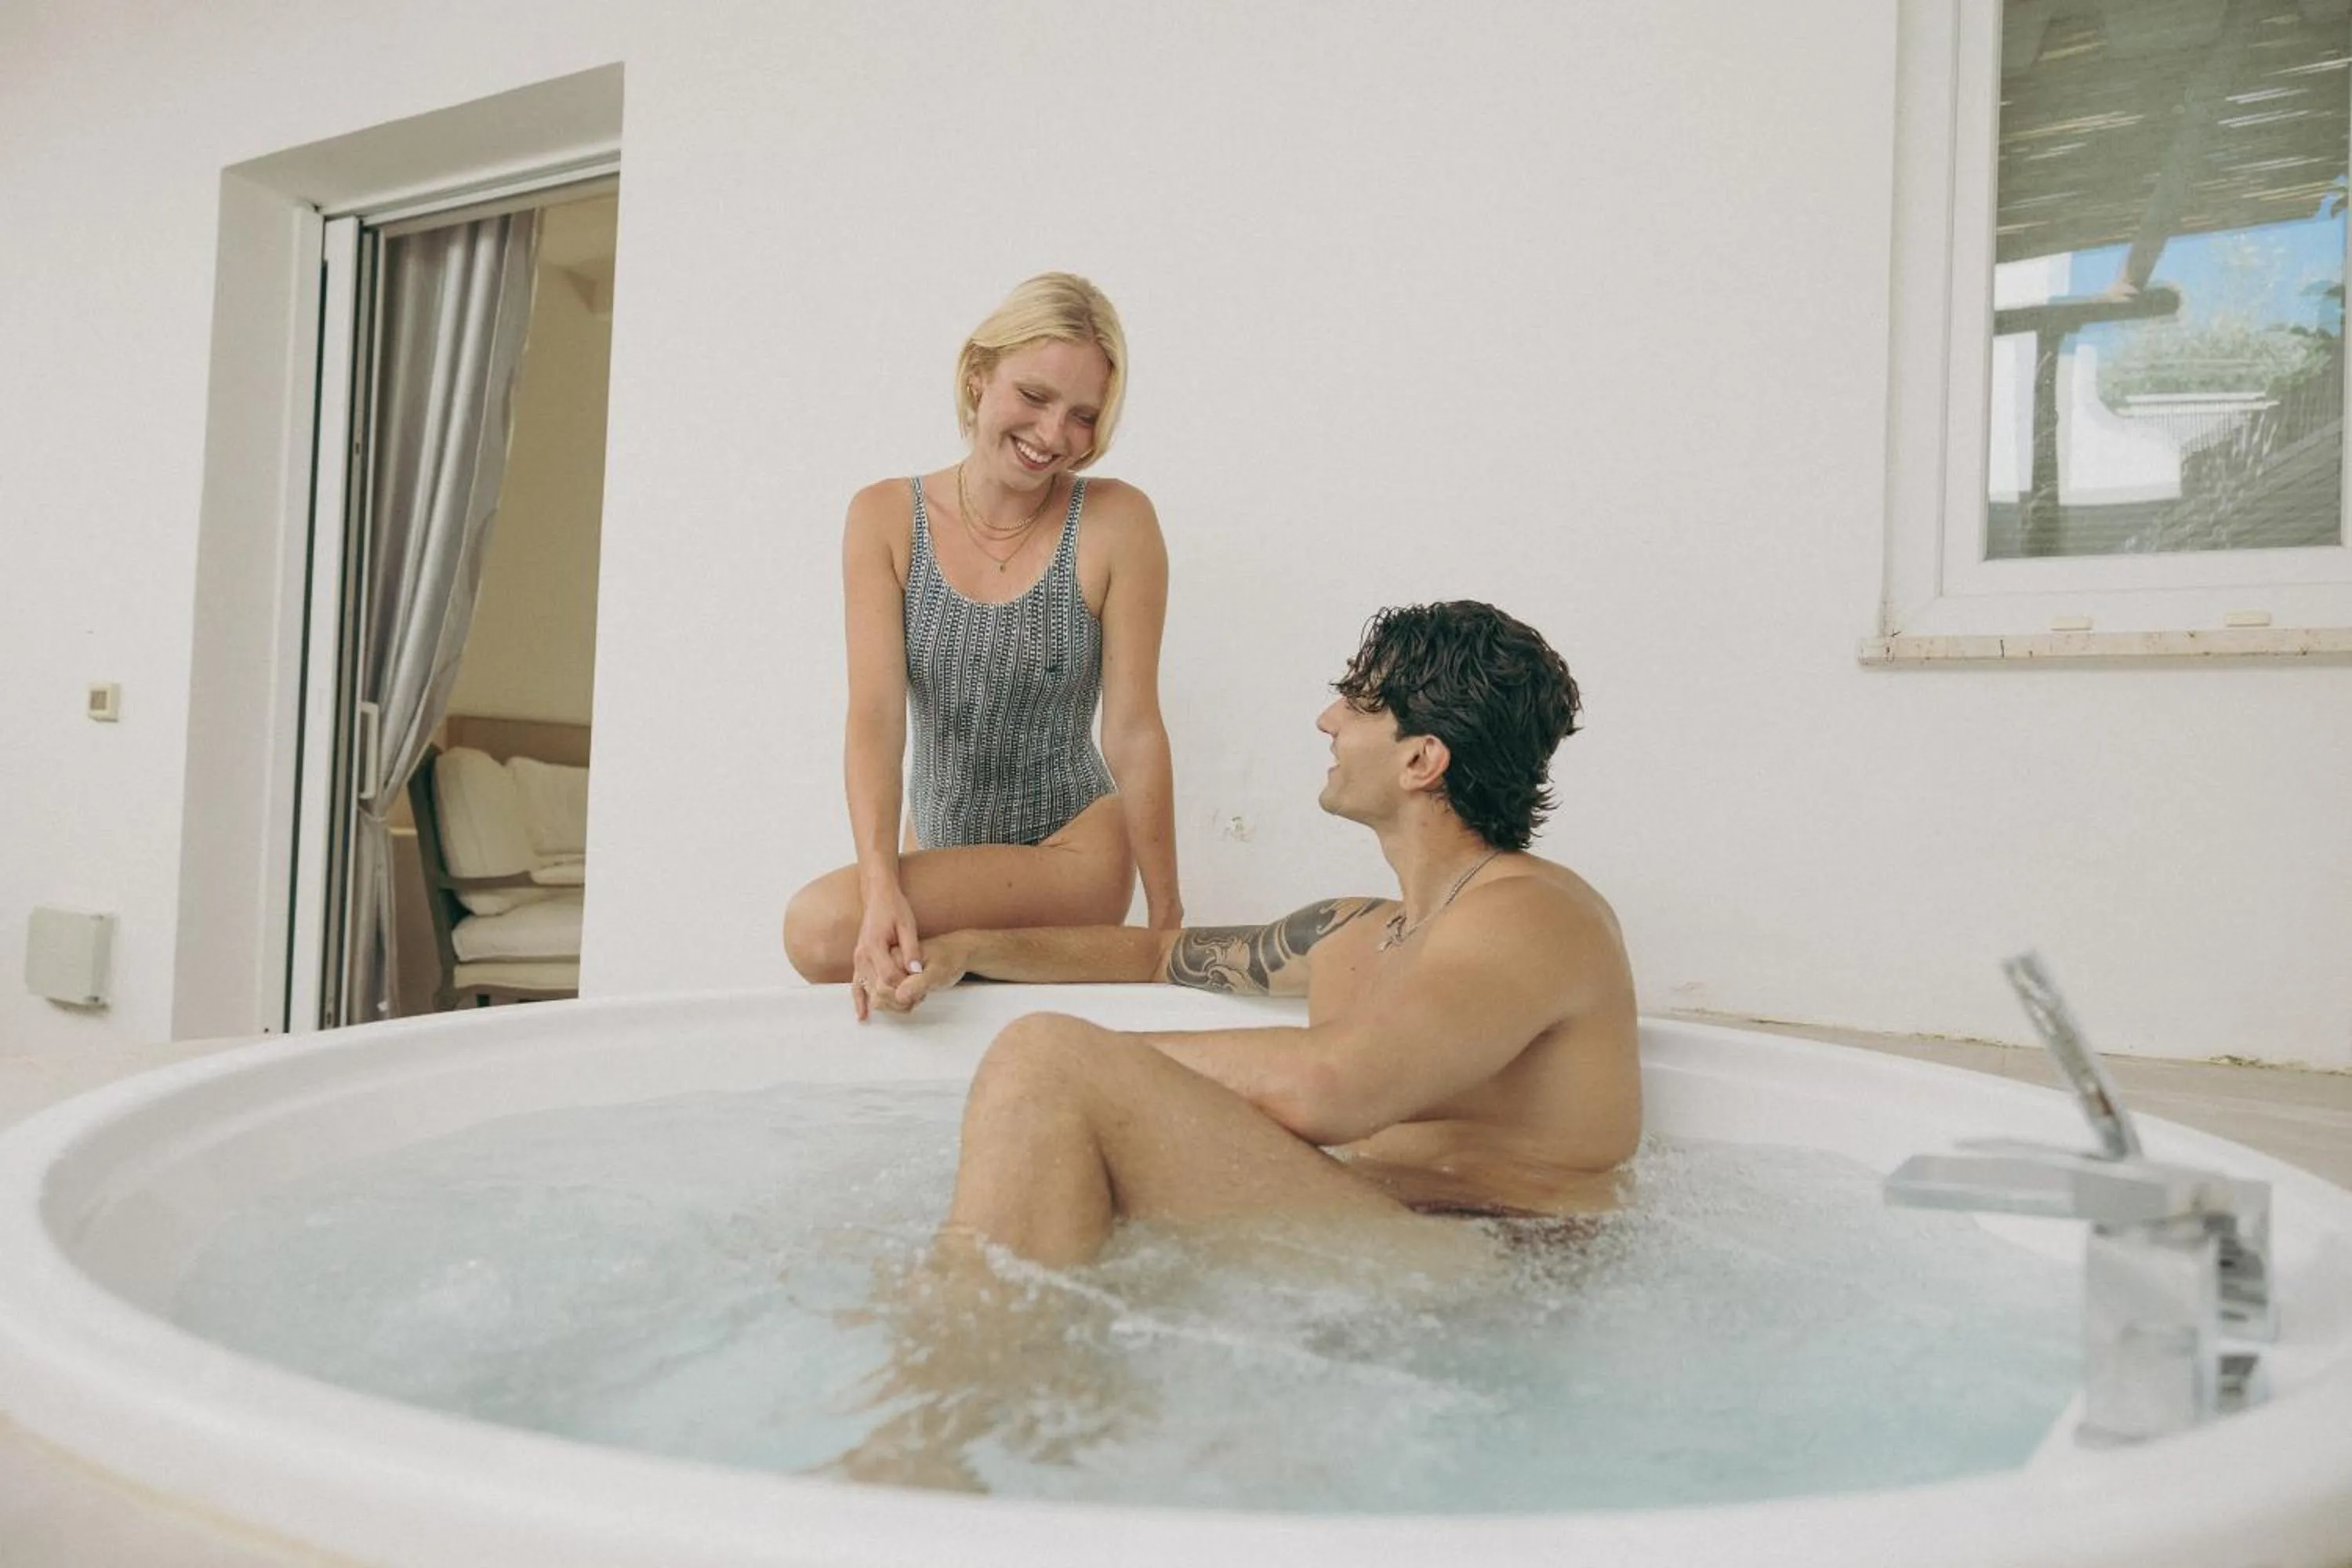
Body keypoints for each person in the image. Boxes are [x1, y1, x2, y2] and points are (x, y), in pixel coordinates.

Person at [875, 601, 1640, 1267]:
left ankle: (950, 1390)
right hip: (1373, 1239)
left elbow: (1334, 1086)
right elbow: (1153, 955)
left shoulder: (1536, 912)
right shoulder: (1354, 929)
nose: (1327, 719)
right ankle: (991, 1369)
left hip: (1498, 1271)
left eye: (1357, 700)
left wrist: (1086, 1072)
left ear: (1420, 759)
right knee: (1054, 1093)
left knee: (1044, 1058)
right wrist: (969, 948)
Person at [782, 274, 1182, 1017]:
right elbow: (874, 719)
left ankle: (988, 949)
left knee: (815, 929)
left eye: (1083, 415)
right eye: (1034, 397)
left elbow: (1133, 730)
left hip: (1073, 856)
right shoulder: (884, 516)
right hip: (940, 845)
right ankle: (986, 953)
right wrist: (880, 888)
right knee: (855, 948)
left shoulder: (1117, 521)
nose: (1054, 435)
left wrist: (1165, 928)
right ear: (978, 375)